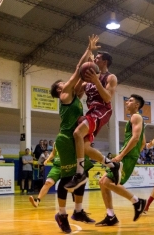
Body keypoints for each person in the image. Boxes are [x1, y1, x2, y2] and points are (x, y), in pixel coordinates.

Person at [50, 35, 100, 233]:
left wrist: (91, 56)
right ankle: (61, 214)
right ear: (59, 89)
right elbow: (77, 71)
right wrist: (87, 49)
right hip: (65, 140)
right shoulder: (64, 96)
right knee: (67, 177)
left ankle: (78, 210)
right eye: (62, 83)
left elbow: (83, 76)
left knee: (83, 174)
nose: (67, 83)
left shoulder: (75, 95)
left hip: (75, 139)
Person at [65, 50, 122, 191]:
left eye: (97, 58)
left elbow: (108, 98)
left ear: (105, 62)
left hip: (103, 110)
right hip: (91, 112)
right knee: (85, 148)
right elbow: (76, 92)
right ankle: (112, 165)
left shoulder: (111, 77)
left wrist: (96, 80)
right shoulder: (89, 79)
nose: (94, 59)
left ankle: (79, 173)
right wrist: (82, 76)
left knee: (78, 133)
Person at [95, 94, 147, 226]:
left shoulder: (136, 116)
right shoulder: (135, 119)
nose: (127, 103)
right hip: (130, 154)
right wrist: (134, 153)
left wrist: (123, 155)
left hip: (127, 156)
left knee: (106, 181)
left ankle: (137, 201)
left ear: (137, 105)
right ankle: (110, 216)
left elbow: (136, 139)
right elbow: (143, 142)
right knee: (102, 182)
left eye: (130, 101)